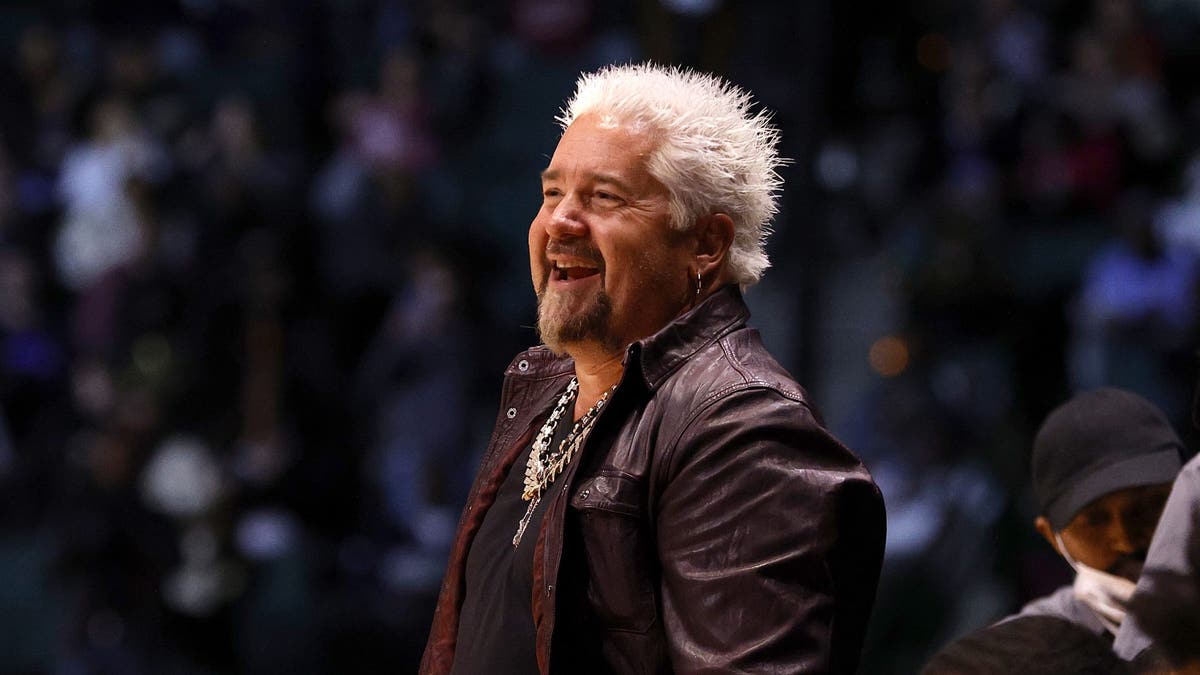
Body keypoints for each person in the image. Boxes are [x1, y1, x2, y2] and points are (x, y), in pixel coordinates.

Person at [419, 63, 886, 674]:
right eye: (552, 192)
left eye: (605, 197)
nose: (559, 220)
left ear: (705, 245)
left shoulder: (743, 429)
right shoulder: (544, 392)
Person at [922, 387, 1184, 672]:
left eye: (1149, 506)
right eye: (1094, 521)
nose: (1125, 539)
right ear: (1052, 537)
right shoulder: (1032, 650)